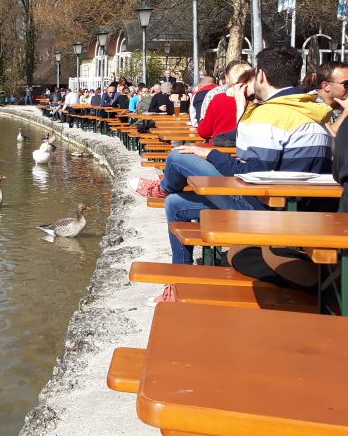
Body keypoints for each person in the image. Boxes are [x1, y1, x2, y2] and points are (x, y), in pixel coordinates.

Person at [130, 47, 333, 270]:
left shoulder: (271, 114)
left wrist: (210, 153)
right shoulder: (312, 110)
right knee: (175, 204)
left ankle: (164, 188)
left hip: (270, 212)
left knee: (178, 156)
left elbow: (252, 174)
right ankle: (180, 275)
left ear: (261, 75)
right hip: (302, 209)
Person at [197, 62, 253, 144]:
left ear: (229, 79)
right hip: (249, 150)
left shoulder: (218, 99)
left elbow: (204, 132)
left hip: (220, 150)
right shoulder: (257, 102)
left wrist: (202, 122)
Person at [303, 60, 348, 134]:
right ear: (326, 86)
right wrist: (346, 112)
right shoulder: (311, 103)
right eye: (346, 84)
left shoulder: (342, 102)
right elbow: (331, 136)